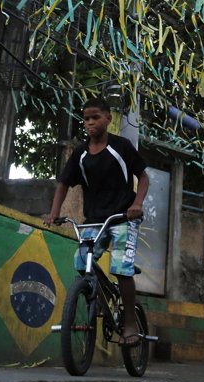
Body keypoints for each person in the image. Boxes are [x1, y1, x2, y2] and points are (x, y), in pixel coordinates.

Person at [44, 96, 149, 346]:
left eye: (95, 117)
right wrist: (53, 212)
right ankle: (99, 299)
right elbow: (63, 183)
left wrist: (137, 204)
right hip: (94, 219)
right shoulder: (81, 153)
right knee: (82, 263)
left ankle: (131, 323)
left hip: (123, 217)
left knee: (121, 268)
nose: (90, 123)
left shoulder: (121, 147)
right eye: (86, 118)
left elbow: (143, 178)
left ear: (108, 118)